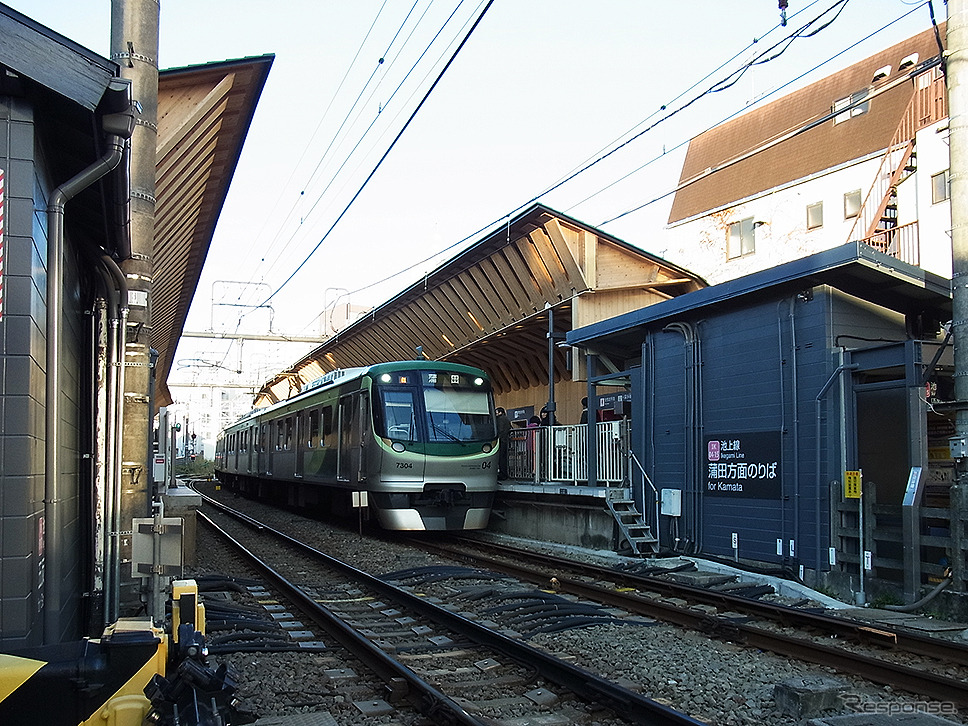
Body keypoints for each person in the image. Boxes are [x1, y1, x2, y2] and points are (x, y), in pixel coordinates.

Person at [495, 407, 512, 480]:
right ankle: (504, 473)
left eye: (496, 412)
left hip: (501, 440)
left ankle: (503, 474)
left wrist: (497, 437)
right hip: (505, 440)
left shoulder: (500, 419)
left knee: (501, 458)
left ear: (500, 412)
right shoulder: (506, 419)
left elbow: (500, 430)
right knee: (504, 458)